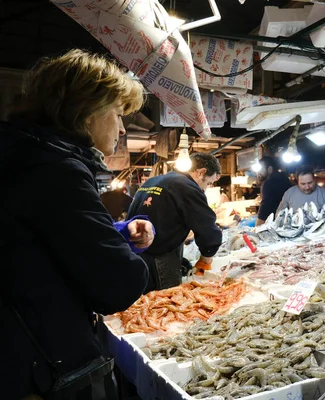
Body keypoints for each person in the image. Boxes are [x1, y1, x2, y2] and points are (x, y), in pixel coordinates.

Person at [0, 49, 152, 400]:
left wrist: (116, 233)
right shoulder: (54, 170)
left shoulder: (20, 154)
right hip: (39, 371)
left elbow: (37, 241)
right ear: (89, 113)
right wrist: (128, 255)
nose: (123, 127)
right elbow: (119, 284)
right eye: (117, 114)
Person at [127, 152, 223, 292]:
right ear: (201, 172)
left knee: (145, 302)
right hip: (159, 258)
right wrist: (206, 258)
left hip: (135, 255)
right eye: (208, 183)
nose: (205, 188)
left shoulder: (153, 181)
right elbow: (207, 227)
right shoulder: (186, 186)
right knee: (165, 304)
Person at [256, 156, 292, 226]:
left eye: (261, 169)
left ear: (270, 169)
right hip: (286, 221)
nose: (259, 172)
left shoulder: (269, 183)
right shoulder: (285, 179)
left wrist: (258, 225)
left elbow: (265, 206)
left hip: (274, 222)